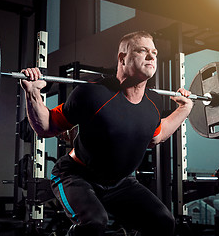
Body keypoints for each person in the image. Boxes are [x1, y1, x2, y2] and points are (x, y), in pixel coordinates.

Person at [20, 31, 193, 236]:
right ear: (122, 58)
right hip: (76, 175)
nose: (151, 56)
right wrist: (32, 92)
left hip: (121, 182)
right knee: (93, 222)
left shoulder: (153, 104)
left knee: (163, 222)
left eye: (154, 52)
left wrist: (184, 109)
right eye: (142, 51)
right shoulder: (92, 94)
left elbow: (157, 135)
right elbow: (47, 127)